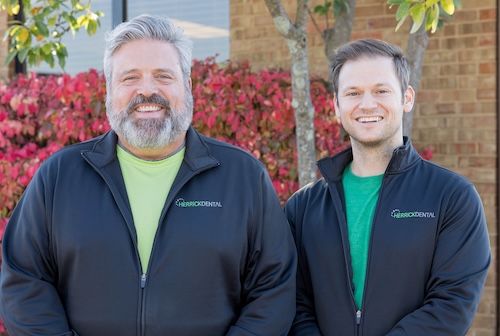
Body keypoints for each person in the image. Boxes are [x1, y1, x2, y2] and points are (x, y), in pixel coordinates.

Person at [0, 14, 297, 336]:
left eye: (162, 76)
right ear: (109, 90)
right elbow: (24, 282)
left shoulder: (242, 177)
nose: (147, 90)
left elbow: (274, 290)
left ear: (187, 85)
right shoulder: (59, 176)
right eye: (130, 78)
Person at [285, 38, 491, 335]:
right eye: (353, 93)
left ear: (407, 98)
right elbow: (294, 303)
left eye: (381, 90)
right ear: (337, 105)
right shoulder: (302, 207)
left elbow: (452, 304)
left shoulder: (452, 197)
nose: (367, 104)